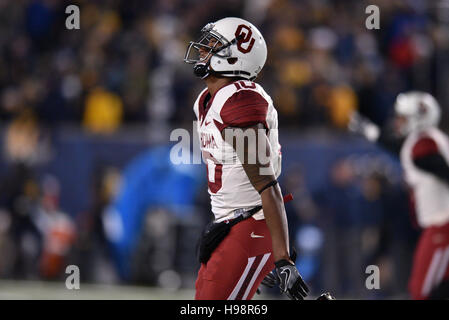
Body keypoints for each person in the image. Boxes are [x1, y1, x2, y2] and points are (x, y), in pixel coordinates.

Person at [183, 17, 309, 300]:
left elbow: (267, 184)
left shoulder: (239, 100)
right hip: (231, 225)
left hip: (250, 227)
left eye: (213, 46)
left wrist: (283, 259)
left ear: (235, 56)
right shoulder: (208, 98)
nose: (203, 50)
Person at [350, 91, 449, 299]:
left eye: (403, 117)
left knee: (421, 290)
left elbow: (429, 161)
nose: (397, 121)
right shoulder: (425, 141)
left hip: (442, 228)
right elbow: (402, 148)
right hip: (437, 227)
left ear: (419, 118)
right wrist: (371, 132)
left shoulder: (423, 145)